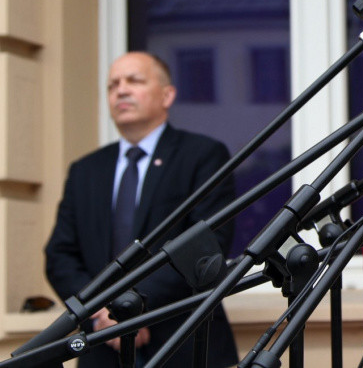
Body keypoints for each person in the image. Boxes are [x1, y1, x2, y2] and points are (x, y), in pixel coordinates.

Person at [45, 52, 239, 368]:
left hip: (183, 342)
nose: (121, 90)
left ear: (167, 95)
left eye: (134, 81)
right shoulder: (85, 170)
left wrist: (131, 307)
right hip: (101, 345)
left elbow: (206, 246)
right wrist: (99, 312)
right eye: (113, 85)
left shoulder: (202, 155)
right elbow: (60, 256)